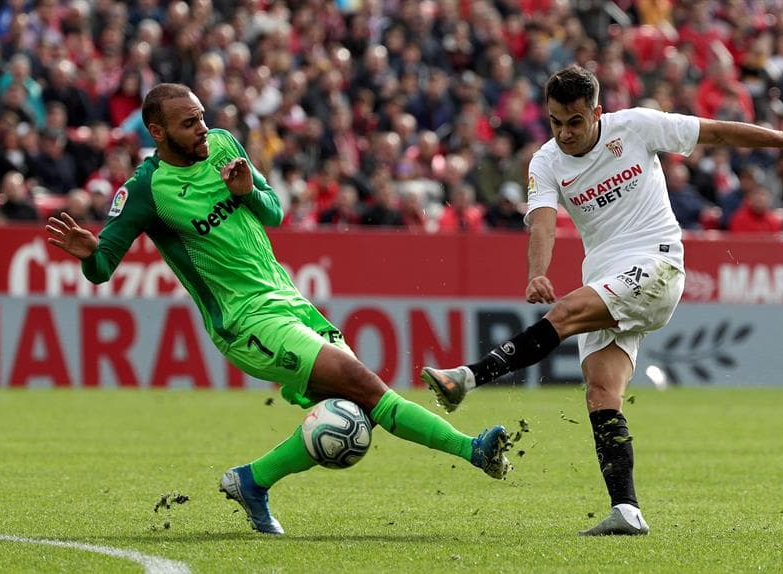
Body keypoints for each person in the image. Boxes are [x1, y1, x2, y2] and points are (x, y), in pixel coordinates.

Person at [44, 83, 511, 536]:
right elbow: (103, 267)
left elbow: (273, 212)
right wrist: (89, 254)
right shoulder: (147, 188)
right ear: (158, 132)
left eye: (203, 117)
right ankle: (473, 450)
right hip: (244, 320)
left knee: (355, 410)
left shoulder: (225, 145)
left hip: (289, 301)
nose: (204, 129)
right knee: (363, 385)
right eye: (190, 124)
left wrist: (248, 192)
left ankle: (252, 481)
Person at [421, 66, 783, 537]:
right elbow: (540, 220)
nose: (565, 133)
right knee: (601, 392)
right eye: (556, 122)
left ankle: (467, 377)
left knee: (563, 314)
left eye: (575, 121)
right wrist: (537, 271)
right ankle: (627, 511)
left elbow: (717, 131)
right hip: (605, 277)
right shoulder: (545, 161)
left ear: (597, 112)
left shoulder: (636, 126)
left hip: (656, 264)